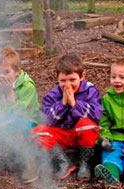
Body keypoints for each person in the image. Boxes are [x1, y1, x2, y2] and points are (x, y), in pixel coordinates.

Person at [31, 53, 102, 181]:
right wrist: (62, 104)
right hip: (61, 135)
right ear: (57, 79)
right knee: (37, 132)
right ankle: (63, 162)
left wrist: (74, 104)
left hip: (80, 135)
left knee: (88, 124)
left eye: (72, 80)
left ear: (82, 77)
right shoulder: (53, 95)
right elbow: (47, 121)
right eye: (63, 81)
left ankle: (84, 164)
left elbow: (96, 116)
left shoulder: (90, 91)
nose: (67, 84)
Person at [0, 46, 41, 184]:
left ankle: (30, 165)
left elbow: (20, 112)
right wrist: (0, 96)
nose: (1, 77)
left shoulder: (27, 86)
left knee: (17, 125)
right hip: (4, 121)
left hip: (28, 122)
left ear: (17, 71)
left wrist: (10, 94)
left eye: (6, 72)